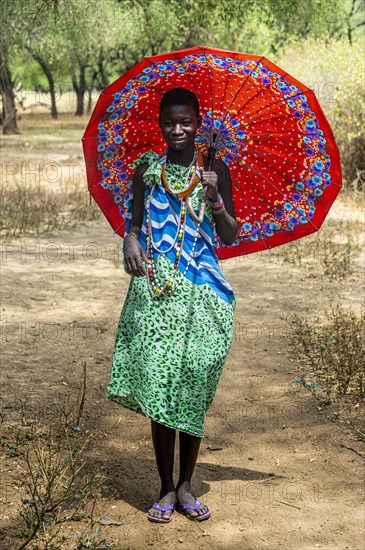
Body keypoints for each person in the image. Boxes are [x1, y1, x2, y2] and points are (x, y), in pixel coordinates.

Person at [107, 87, 237, 523]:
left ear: (199, 125)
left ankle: (187, 484)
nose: (177, 130)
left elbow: (231, 234)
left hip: (203, 293)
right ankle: (165, 487)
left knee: (193, 386)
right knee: (160, 386)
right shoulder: (147, 169)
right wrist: (129, 238)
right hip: (157, 291)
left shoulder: (214, 168)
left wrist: (216, 196)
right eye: (169, 122)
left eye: (186, 122)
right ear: (160, 124)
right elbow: (136, 223)